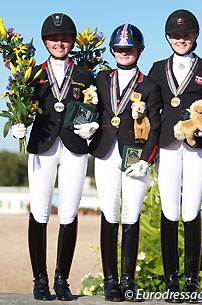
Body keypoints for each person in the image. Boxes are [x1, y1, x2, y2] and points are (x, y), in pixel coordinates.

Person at [11, 13, 98, 301]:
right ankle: (39, 280)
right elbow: (22, 105)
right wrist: (17, 124)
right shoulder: (32, 73)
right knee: (39, 211)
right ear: (45, 41)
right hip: (42, 146)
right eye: (53, 38)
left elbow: (93, 108)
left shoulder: (85, 75)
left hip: (74, 146)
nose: (59, 43)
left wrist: (92, 125)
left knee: (70, 212)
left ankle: (62, 280)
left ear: (72, 41)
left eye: (64, 38)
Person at [148, 9, 202, 303]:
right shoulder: (156, 69)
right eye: (176, 35)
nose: (181, 40)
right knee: (170, 210)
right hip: (167, 145)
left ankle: (191, 281)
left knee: (191, 209)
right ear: (168, 38)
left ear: (195, 36)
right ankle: (171, 282)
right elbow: (149, 108)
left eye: (186, 35)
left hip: (197, 148)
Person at [89, 23, 162, 302]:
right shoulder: (101, 78)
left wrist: (147, 159)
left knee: (131, 214)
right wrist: (85, 127)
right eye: (119, 48)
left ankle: (128, 280)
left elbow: (155, 125)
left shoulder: (149, 85)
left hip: (135, 155)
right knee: (110, 213)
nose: (124, 53)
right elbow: (91, 108)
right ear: (112, 50)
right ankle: (110, 282)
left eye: (129, 48)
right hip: (106, 152)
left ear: (139, 51)